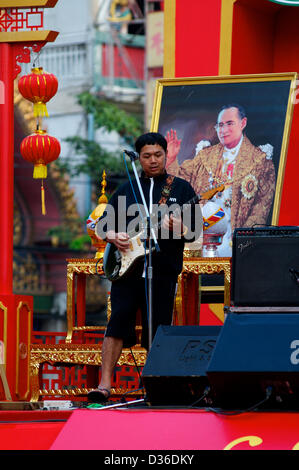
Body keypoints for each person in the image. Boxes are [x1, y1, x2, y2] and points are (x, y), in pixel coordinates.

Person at [87, 132, 201, 403]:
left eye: (158, 155)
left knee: (158, 326)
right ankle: (104, 386)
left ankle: (154, 385)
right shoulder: (127, 190)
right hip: (126, 272)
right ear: (139, 158)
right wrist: (113, 235)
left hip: (162, 270)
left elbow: (196, 234)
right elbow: (100, 226)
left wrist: (181, 228)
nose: (153, 161)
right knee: (117, 321)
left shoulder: (181, 190)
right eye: (147, 156)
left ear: (166, 155)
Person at [165, 104, 276, 256]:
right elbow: (180, 185)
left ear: (243, 123)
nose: (223, 130)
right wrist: (171, 160)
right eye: (220, 125)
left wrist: (242, 239)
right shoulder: (205, 156)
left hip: (235, 238)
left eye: (229, 124)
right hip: (201, 234)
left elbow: (261, 209)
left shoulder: (259, 160)